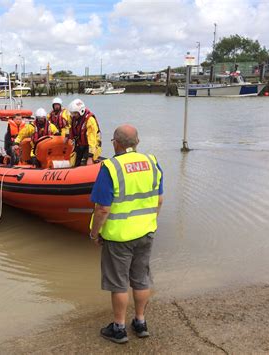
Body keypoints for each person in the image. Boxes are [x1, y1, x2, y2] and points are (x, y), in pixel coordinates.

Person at [89, 124, 163, 344]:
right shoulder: (152, 162)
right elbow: (159, 199)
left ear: (115, 143)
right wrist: (150, 222)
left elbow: (102, 208)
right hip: (146, 232)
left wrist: (94, 233)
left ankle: (119, 328)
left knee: (119, 283)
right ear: (137, 142)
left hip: (119, 237)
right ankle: (140, 323)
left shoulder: (111, 167)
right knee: (141, 279)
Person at [67, 98, 102, 167]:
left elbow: (92, 141)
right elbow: (70, 129)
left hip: (93, 146)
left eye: (74, 113)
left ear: (81, 111)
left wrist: (90, 157)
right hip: (80, 144)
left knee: (86, 164)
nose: (73, 115)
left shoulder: (90, 120)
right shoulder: (74, 119)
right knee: (73, 164)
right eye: (72, 113)